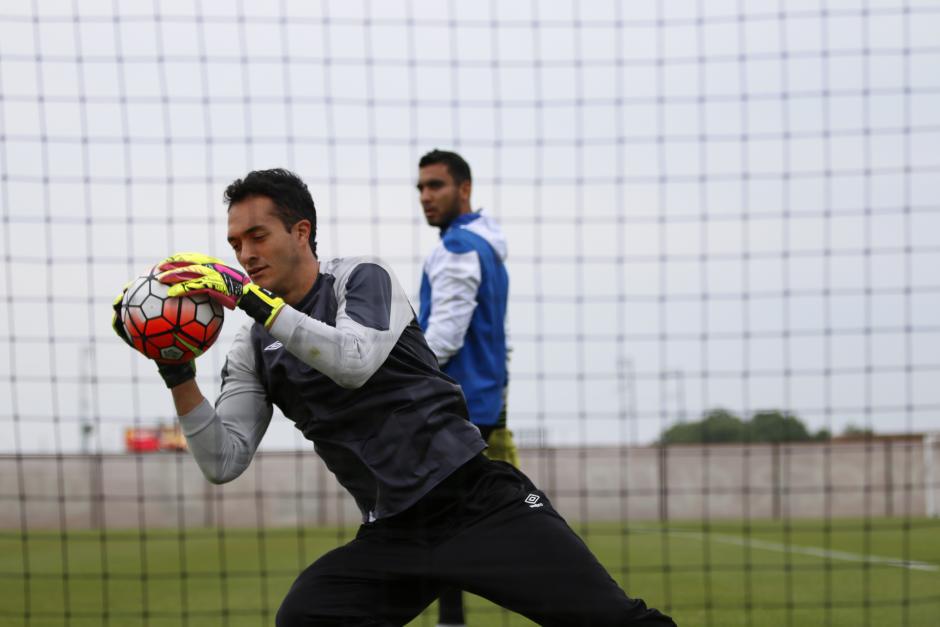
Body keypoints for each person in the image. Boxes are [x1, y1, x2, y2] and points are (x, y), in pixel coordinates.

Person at [111, 168, 675, 627]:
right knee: (306, 618)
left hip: (476, 504)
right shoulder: (253, 346)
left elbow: (352, 362)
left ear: (301, 231)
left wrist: (251, 300)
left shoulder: (361, 278)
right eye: (236, 243)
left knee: (613, 622)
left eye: (258, 236)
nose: (245, 254)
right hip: (395, 536)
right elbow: (222, 461)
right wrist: (177, 372)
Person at [416, 149, 517, 627]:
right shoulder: (488, 248)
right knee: (489, 517)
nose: (425, 196)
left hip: (457, 413)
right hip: (487, 407)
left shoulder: (457, 249)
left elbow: (444, 338)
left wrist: (399, 378)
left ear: (465, 189)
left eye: (435, 185)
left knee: (449, 522)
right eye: (420, 188)